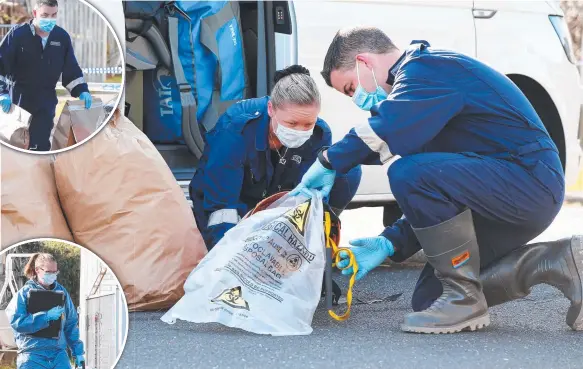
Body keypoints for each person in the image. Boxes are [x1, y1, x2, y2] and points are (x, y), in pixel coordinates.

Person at [291, 26, 583, 333]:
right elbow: (439, 197)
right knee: (431, 298)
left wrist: (328, 161)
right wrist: (389, 243)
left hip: (529, 181)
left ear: (364, 62)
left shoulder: (427, 69)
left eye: (351, 88)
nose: (357, 100)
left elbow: (389, 130)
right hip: (503, 193)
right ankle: (561, 262)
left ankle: (464, 300)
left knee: (407, 172)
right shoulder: (419, 100)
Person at [189, 64, 362, 251]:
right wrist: (228, 255)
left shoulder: (319, 133)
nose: (300, 131)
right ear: (271, 109)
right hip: (232, 204)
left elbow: (310, 193)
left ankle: (322, 246)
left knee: (348, 170)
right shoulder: (236, 129)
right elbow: (222, 207)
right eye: (292, 123)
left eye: (307, 124)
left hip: (275, 200)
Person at [0, 0, 92, 151]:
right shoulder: (17, 35)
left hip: (45, 104)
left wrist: (82, 90)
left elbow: (71, 69)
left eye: (53, 15)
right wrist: (2, 93)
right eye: (45, 15)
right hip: (18, 102)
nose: (49, 19)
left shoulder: (61, 38)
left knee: (40, 149)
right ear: (35, 13)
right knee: (16, 149)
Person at [5, 253, 85, 368]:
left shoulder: (62, 293)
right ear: (37, 270)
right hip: (32, 354)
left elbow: (71, 324)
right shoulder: (23, 294)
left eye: (55, 272)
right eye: (49, 272)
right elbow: (18, 323)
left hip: (58, 354)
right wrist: (45, 316)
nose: (52, 275)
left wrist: (78, 352)